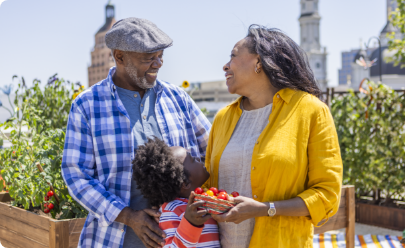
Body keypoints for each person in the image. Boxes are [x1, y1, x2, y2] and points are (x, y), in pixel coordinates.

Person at [62, 18, 211, 248]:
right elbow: (76, 175)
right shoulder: (88, 105)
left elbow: (212, 148)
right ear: (119, 56)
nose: (158, 64)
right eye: (149, 58)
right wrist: (128, 216)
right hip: (112, 241)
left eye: (160, 56)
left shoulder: (177, 98)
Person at [204, 25, 343, 248]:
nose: (225, 65)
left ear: (258, 62)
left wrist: (266, 208)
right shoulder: (222, 118)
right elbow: (210, 185)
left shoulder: (310, 111)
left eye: (233, 55)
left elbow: (327, 196)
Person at [132, 137, 220, 248]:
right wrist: (190, 224)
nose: (198, 158)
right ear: (185, 183)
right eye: (192, 159)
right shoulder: (171, 210)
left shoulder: (203, 199)